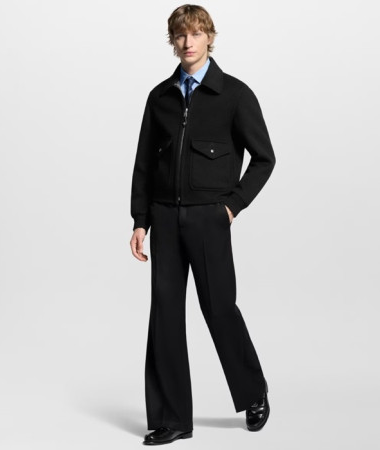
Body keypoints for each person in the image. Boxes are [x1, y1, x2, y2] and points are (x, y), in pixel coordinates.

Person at [130, 4, 276, 446]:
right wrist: (140, 220)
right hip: (164, 218)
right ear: (172, 41)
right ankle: (173, 419)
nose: (188, 42)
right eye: (180, 35)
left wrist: (231, 206)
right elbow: (143, 163)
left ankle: (253, 391)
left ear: (210, 38)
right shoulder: (160, 97)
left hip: (209, 219)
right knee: (165, 316)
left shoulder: (234, 94)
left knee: (219, 308)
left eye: (196, 33)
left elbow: (264, 158)